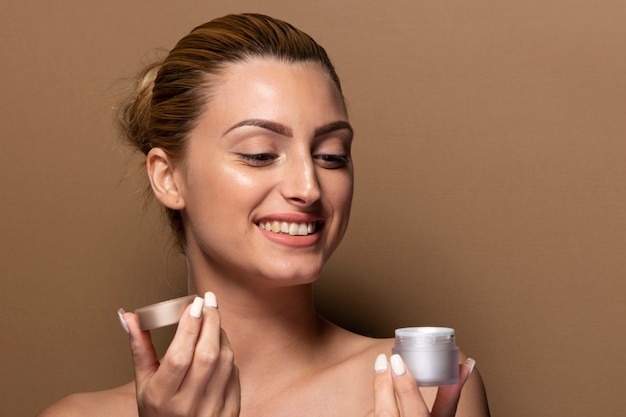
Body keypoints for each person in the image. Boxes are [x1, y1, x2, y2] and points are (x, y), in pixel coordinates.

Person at [38, 13, 490, 417]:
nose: (308, 188)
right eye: (259, 154)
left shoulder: (421, 388)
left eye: (331, 155)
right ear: (168, 178)